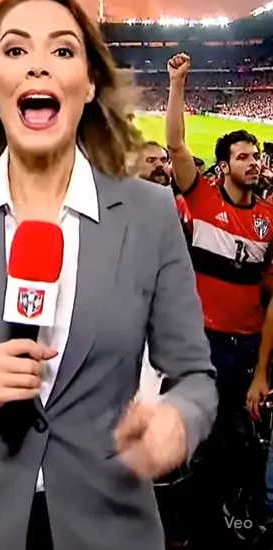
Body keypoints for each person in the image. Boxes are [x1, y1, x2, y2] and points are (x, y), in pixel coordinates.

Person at [0, 0, 217, 550]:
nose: (38, 65)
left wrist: (178, 419)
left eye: (62, 50)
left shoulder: (150, 213)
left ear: (89, 84)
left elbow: (195, 378)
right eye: (16, 50)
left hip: (110, 524)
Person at [166, 51, 273, 523]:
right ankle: (198, 519)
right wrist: (177, 84)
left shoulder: (270, 219)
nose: (253, 163)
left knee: (240, 436)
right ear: (223, 166)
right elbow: (176, 145)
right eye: (243, 156)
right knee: (201, 436)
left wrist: (263, 369)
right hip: (203, 341)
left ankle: (234, 512)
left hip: (248, 346)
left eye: (256, 156)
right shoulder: (203, 199)